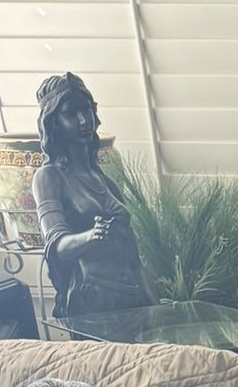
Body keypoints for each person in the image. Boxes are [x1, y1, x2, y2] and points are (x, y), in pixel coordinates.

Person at [31, 72, 153, 322]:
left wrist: (157, 307)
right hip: (92, 303)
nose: (83, 120)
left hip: (134, 299)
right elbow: (56, 247)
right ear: (53, 123)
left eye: (86, 110)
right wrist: (90, 237)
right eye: (70, 114)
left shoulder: (104, 180)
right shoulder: (49, 177)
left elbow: (135, 260)